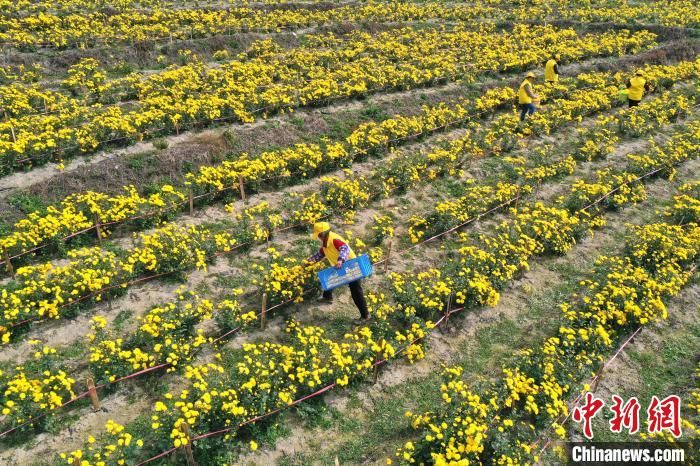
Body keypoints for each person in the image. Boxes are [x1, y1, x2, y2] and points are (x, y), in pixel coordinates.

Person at [305, 222, 370, 322]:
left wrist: (340, 260)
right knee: (330, 278)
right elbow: (320, 254)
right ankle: (327, 297)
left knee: (356, 291)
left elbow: (345, 249)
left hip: (350, 265)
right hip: (339, 265)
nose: (318, 237)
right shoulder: (326, 242)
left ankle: (365, 316)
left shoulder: (334, 239)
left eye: (318, 235)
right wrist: (309, 262)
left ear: (322, 234)